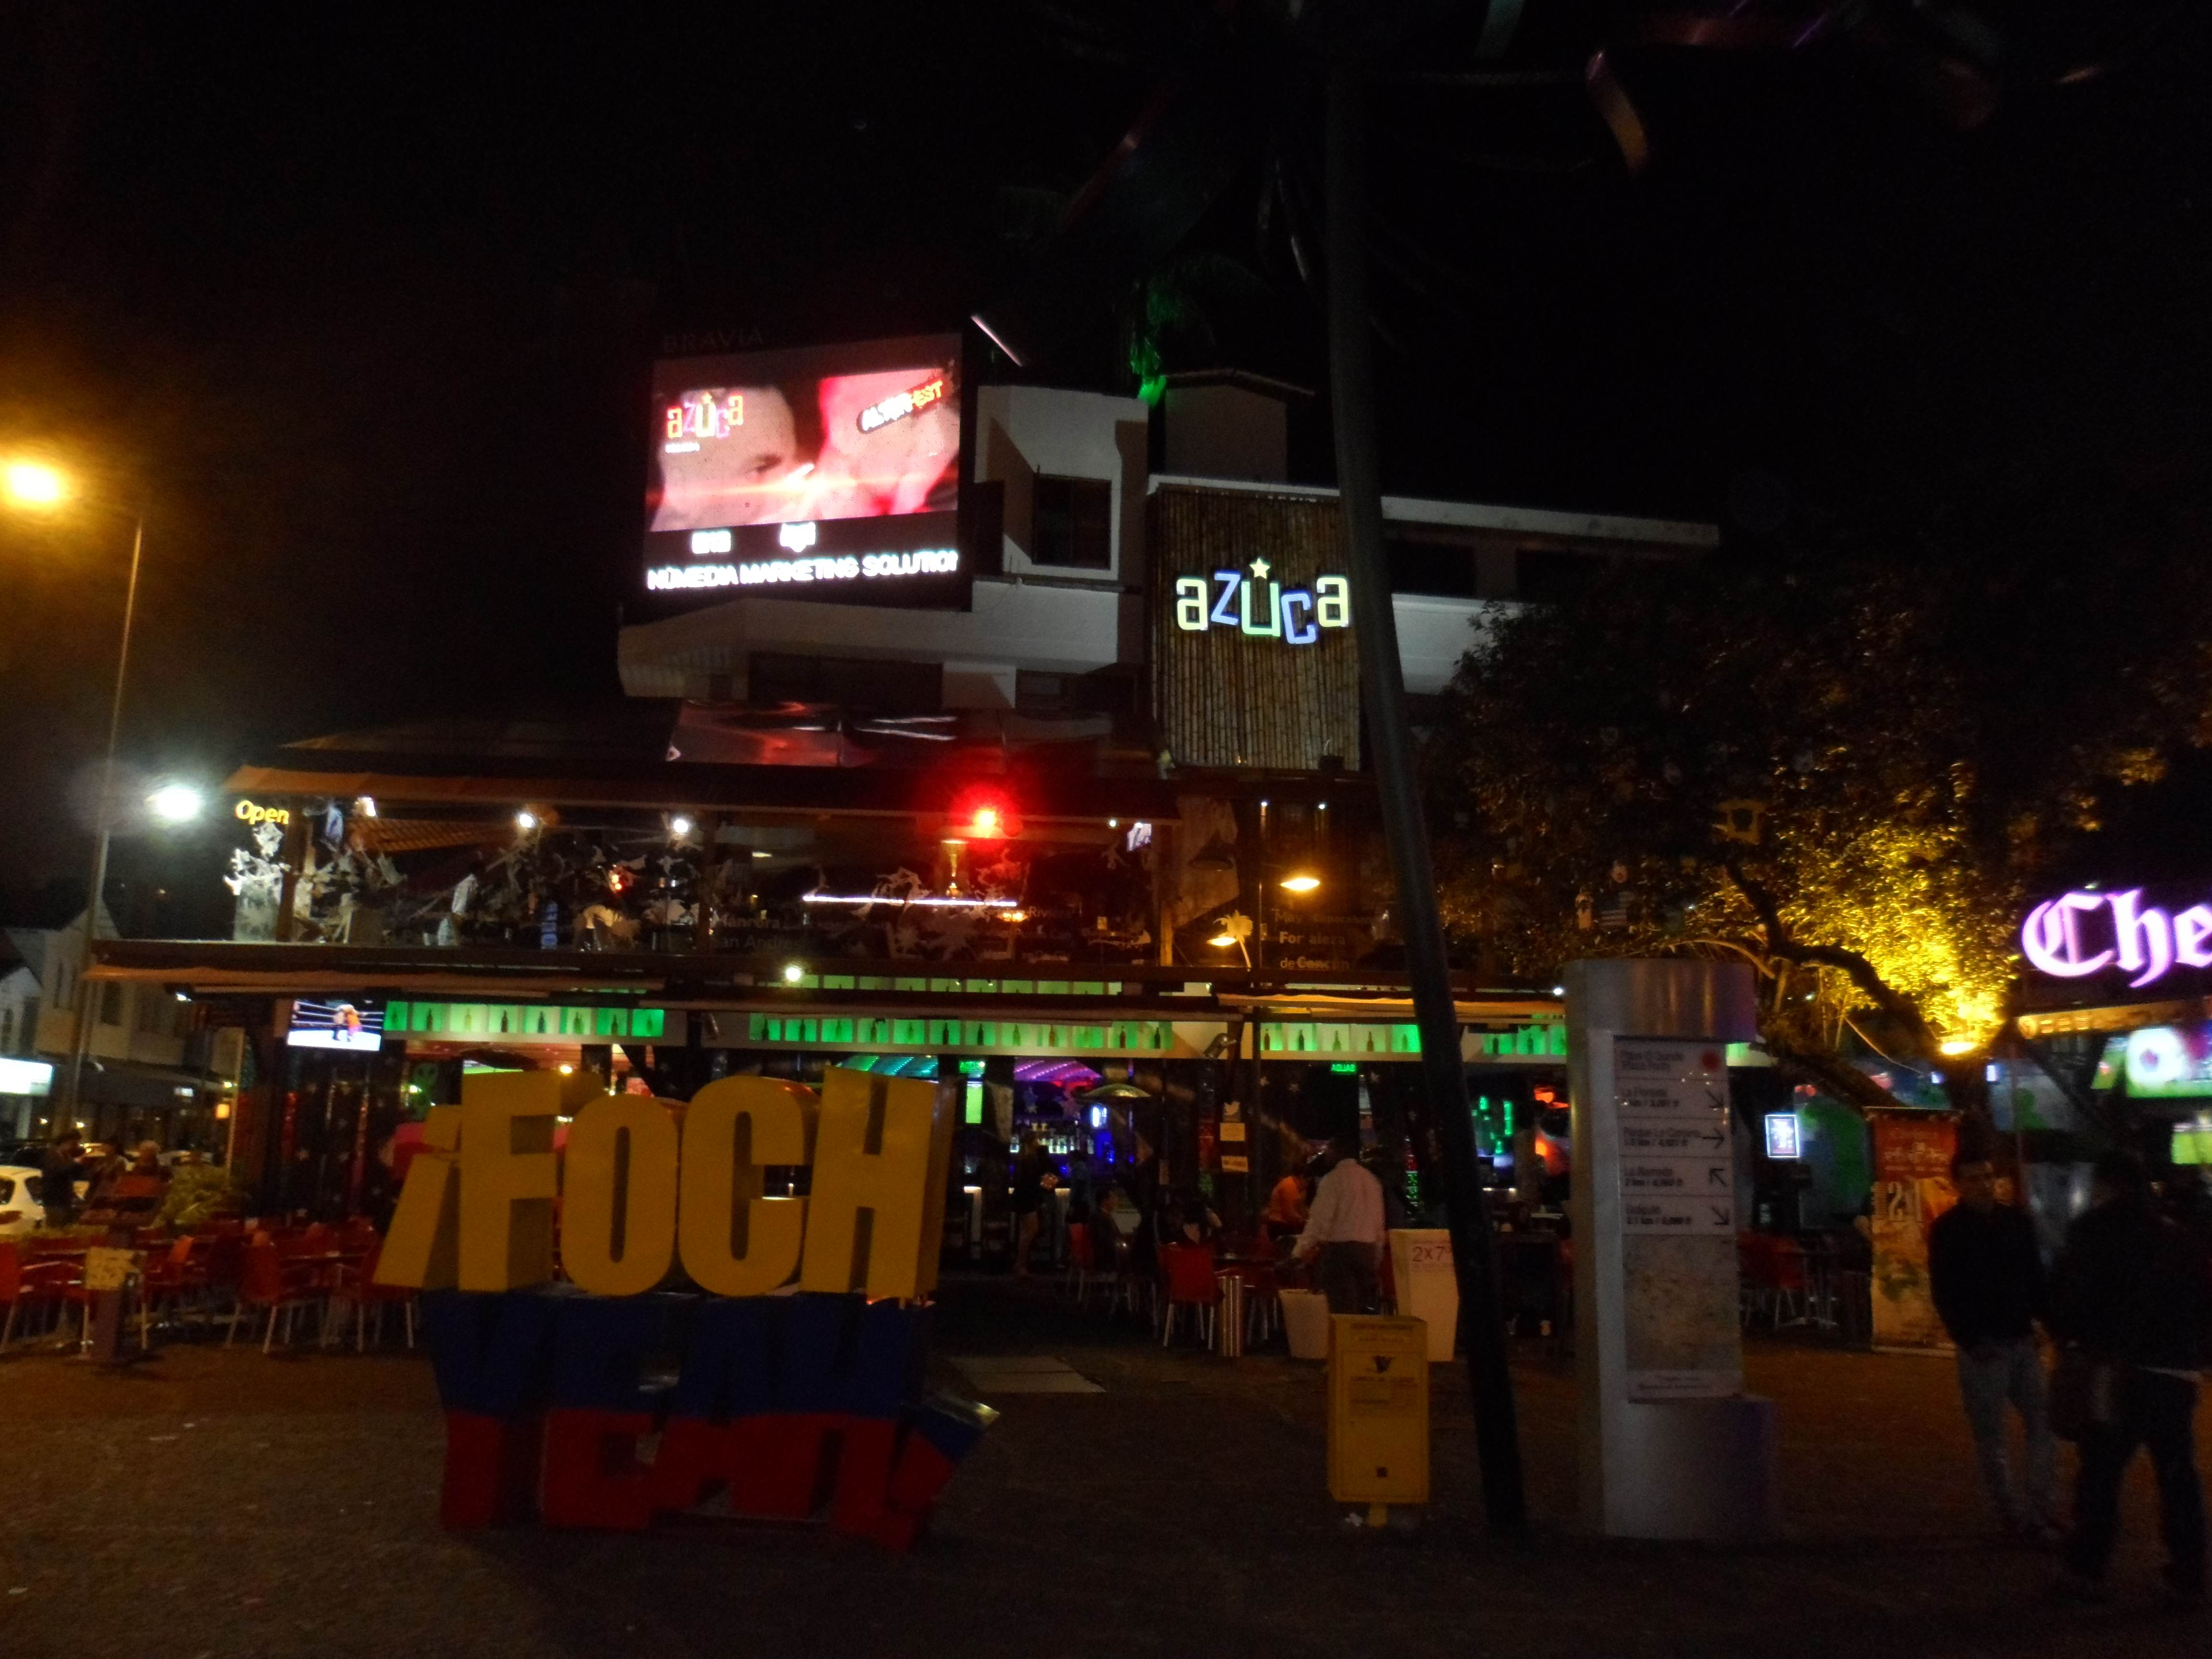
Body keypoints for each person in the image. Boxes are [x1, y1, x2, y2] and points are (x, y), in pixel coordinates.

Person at [2050, 1150, 2212, 1604]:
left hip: (2115, 1369)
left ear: (2105, 1185)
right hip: (2174, 1373)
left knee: (2101, 1470)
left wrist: (2070, 1336)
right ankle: (2187, 1572)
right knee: (2177, 1474)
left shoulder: (2093, 1233)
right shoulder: (2177, 1237)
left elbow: (2069, 1298)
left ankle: (2088, 1566)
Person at [1928, 1150, 2057, 1540]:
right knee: (1993, 1436)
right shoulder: (1949, 1230)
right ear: (1958, 1185)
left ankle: (2037, 1510)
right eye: (1974, 1179)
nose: (1984, 1185)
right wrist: (1968, 1339)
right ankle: (2015, 1513)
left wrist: (2044, 1323)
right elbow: (1944, 1290)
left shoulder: (2015, 1221)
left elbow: (2034, 1276)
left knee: (2041, 1424)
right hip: (1985, 1346)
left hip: (2019, 1339)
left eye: (1987, 1177)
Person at [1295, 1133, 1387, 1314]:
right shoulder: (1372, 1181)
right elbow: (1379, 1222)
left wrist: (1299, 1252)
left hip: (1340, 1252)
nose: (1326, 1154)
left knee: (1341, 1309)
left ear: (1338, 1152)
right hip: (1367, 1251)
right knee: (1362, 1310)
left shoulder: (1333, 1180)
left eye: (1329, 1150)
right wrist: (1377, 1256)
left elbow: (1319, 1222)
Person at [1010, 1133, 1051, 1280]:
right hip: (1028, 1198)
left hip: (1021, 1197)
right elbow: (1034, 1181)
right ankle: (1021, 1265)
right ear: (1032, 1142)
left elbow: (1020, 1180)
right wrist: (1046, 1185)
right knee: (1032, 1230)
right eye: (1036, 1140)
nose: (1038, 1142)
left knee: (1025, 1232)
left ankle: (1020, 1265)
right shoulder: (1031, 1159)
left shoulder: (1021, 1158)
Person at [38, 1132, 84, 1228]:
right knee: (55, 1227)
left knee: (65, 1226)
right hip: (54, 1199)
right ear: (64, 1143)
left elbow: (73, 1174)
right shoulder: (51, 1156)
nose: (75, 1147)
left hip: (65, 1199)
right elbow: (57, 1172)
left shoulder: (67, 1156)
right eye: (73, 1144)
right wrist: (75, 1163)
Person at [1262, 1166, 1313, 1238]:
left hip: (1280, 1225)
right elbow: (1290, 1213)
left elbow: (1300, 1208)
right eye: (1307, 1181)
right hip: (1280, 1225)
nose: (1307, 1185)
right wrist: (1305, 1222)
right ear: (1301, 1177)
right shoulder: (1290, 1186)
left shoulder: (1293, 1185)